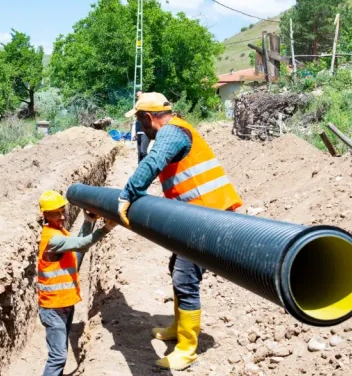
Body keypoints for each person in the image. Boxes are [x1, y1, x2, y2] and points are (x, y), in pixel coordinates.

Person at [116, 92, 243, 370]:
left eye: (139, 121)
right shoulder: (175, 129)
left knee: (186, 278)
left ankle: (187, 347)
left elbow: (153, 162)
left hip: (208, 217)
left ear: (148, 118)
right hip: (194, 215)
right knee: (177, 267)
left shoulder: (172, 133)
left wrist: (127, 194)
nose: (139, 127)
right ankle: (177, 327)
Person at [37, 190, 117, 376]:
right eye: (57, 213)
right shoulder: (52, 238)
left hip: (64, 305)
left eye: (63, 211)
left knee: (60, 352)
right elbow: (82, 245)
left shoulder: (59, 231)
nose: (63, 216)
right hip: (53, 309)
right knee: (58, 357)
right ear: (46, 215)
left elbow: (77, 253)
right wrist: (105, 228)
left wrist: (88, 222)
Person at [134, 91, 150, 163]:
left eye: (139, 95)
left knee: (143, 151)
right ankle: (140, 169)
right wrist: (134, 132)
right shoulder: (137, 106)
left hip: (145, 131)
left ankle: (149, 166)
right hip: (138, 131)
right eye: (137, 96)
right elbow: (136, 119)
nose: (138, 97)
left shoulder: (147, 105)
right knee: (139, 153)